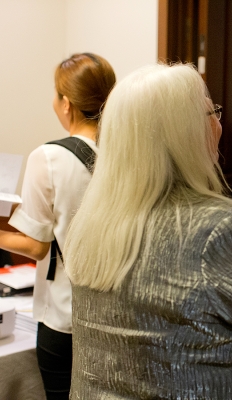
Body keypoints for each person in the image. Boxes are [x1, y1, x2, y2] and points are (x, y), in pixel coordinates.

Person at [63, 63, 232, 399]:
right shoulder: (221, 232)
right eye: (210, 112)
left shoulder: (90, 226)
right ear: (184, 133)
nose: (218, 122)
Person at [0, 53, 115, 399]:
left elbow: (37, 246)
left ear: (67, 104)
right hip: (116, 310)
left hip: (65, 313)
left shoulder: (48, 157)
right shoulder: (124, 152)